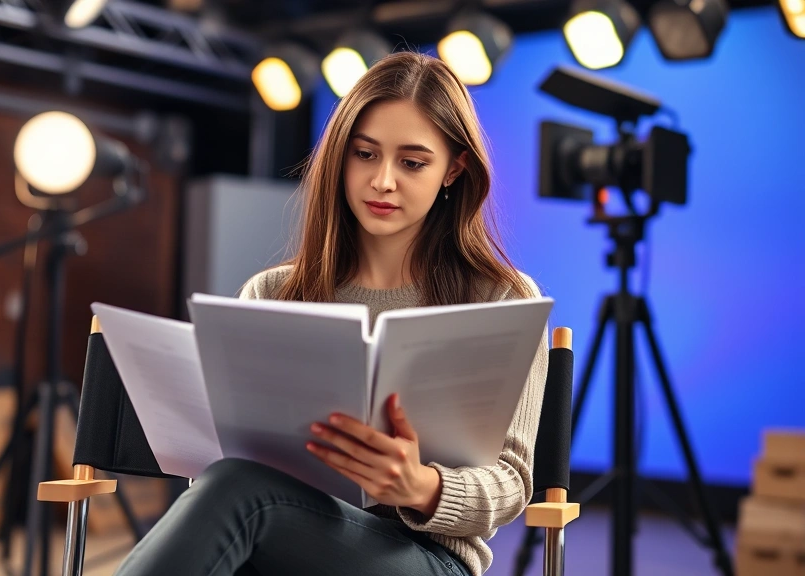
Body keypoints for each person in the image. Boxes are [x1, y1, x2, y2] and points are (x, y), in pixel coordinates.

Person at [114, 51, 549, 576]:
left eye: (412, 163)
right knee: (234, 488)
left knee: (239, 493)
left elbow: (512, 483)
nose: (383, 181)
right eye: (365, 154)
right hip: (279, 532)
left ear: (454, 169)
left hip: (427, 559)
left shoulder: (501, 296)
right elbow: (222, 463)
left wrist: (420, 486)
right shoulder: (274, 292)